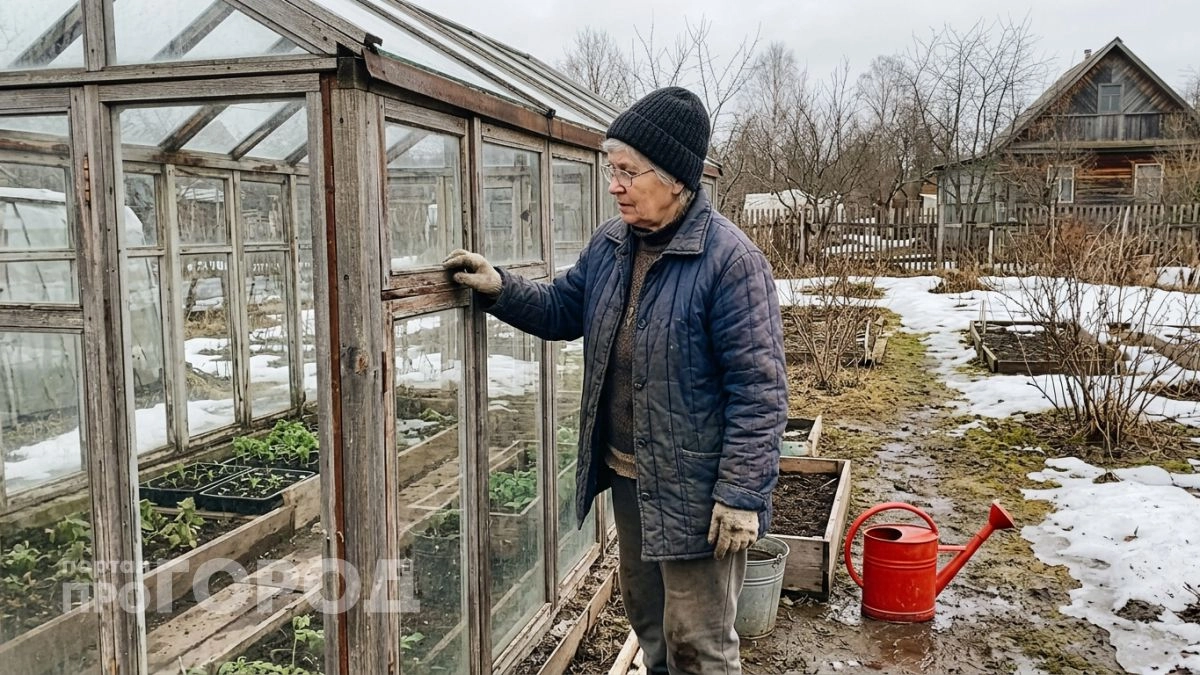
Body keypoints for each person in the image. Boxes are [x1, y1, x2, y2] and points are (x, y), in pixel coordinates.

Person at [443, 86, 787, 674]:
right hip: (631, 476)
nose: (615, 185)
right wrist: (499, 286)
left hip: (699, 494)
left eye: (629, 172)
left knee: (699, 642)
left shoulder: (730, 262)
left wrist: (740, 495)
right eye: (612, 169)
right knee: (650, 621)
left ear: (676, 177)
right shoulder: (611, 246)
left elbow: (759, 391)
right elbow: (562, 309)